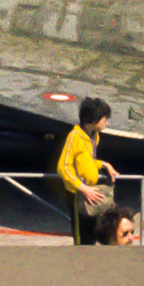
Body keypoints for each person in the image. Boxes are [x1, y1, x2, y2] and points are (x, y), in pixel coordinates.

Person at [57, 96, 118, 246]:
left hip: (90, 192)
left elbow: (86, 161)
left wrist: (104, 164)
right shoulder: (75, 136)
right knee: (82, 238)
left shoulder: (94, 136)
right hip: (78, 195)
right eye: (105, 119)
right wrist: (83, 189)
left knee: (92, 234)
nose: (107, 123)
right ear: (92, 120)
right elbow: (63, 167)